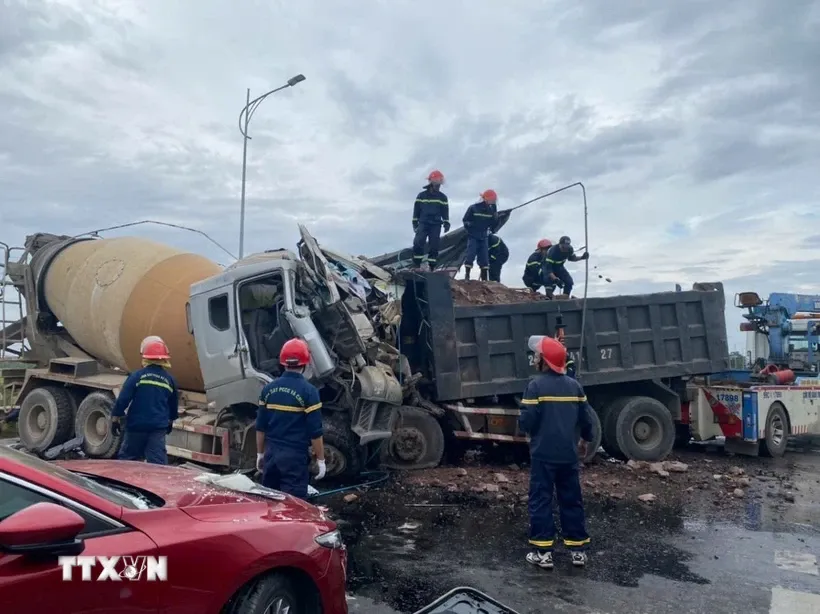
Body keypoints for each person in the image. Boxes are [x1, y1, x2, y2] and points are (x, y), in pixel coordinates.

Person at [519, 335, 593, 569]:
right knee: (571, 500)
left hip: (543, 455)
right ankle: (578, 551)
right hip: (568, 456)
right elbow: (586, 419)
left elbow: (527, 421)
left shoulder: (535, 386)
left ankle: (543, 554)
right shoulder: (575, 386)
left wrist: (527, 431)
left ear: (546, 361)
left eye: (537, 355)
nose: (535, 358)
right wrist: (585, 441)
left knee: (541, 500)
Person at [255, 338, 327, 499]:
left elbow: (260, 427)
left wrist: (260, 454)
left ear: (283, 363)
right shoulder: (309, 392)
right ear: (305, 363)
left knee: (270, 500)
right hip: (294, 458)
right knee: (293, 504)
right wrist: (321, 460)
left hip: (271, 456)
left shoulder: (268, 389)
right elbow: (315, 432)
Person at [111, 336, 179, 465]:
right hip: (157, 428)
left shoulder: (137, 376)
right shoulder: (170, 380)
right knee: (157, 464)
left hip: (136, 426)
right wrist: (171, 420)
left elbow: (123, 399)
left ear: (145, 358)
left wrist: (115, 417)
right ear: (164, 359)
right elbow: (173, 404)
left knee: (128, 461)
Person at [412, 170, 450, 270]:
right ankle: (416, 265)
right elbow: (416, 210)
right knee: (418, 242)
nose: (438, 184)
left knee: (434, 246)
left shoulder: (443, 197)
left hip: (436, 224)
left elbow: (445, 211)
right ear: (431, 181)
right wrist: (415, 223)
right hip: (423, 223)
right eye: (436, 181)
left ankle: (432, 267)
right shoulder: (421, 196)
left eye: (440, 181)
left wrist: (446, 222)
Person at [462, 189, 499, 280]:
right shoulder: (473, 208)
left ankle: (484, 279)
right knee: (470, 255)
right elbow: (465, 220)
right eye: (492, 199)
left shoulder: (491, 211)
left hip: (484, 236)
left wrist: (495, 213)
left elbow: (494, 224)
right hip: (473, 236)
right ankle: (467, 276)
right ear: (486, 199)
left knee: (484, 258)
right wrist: (469, 225)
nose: (493, 201)